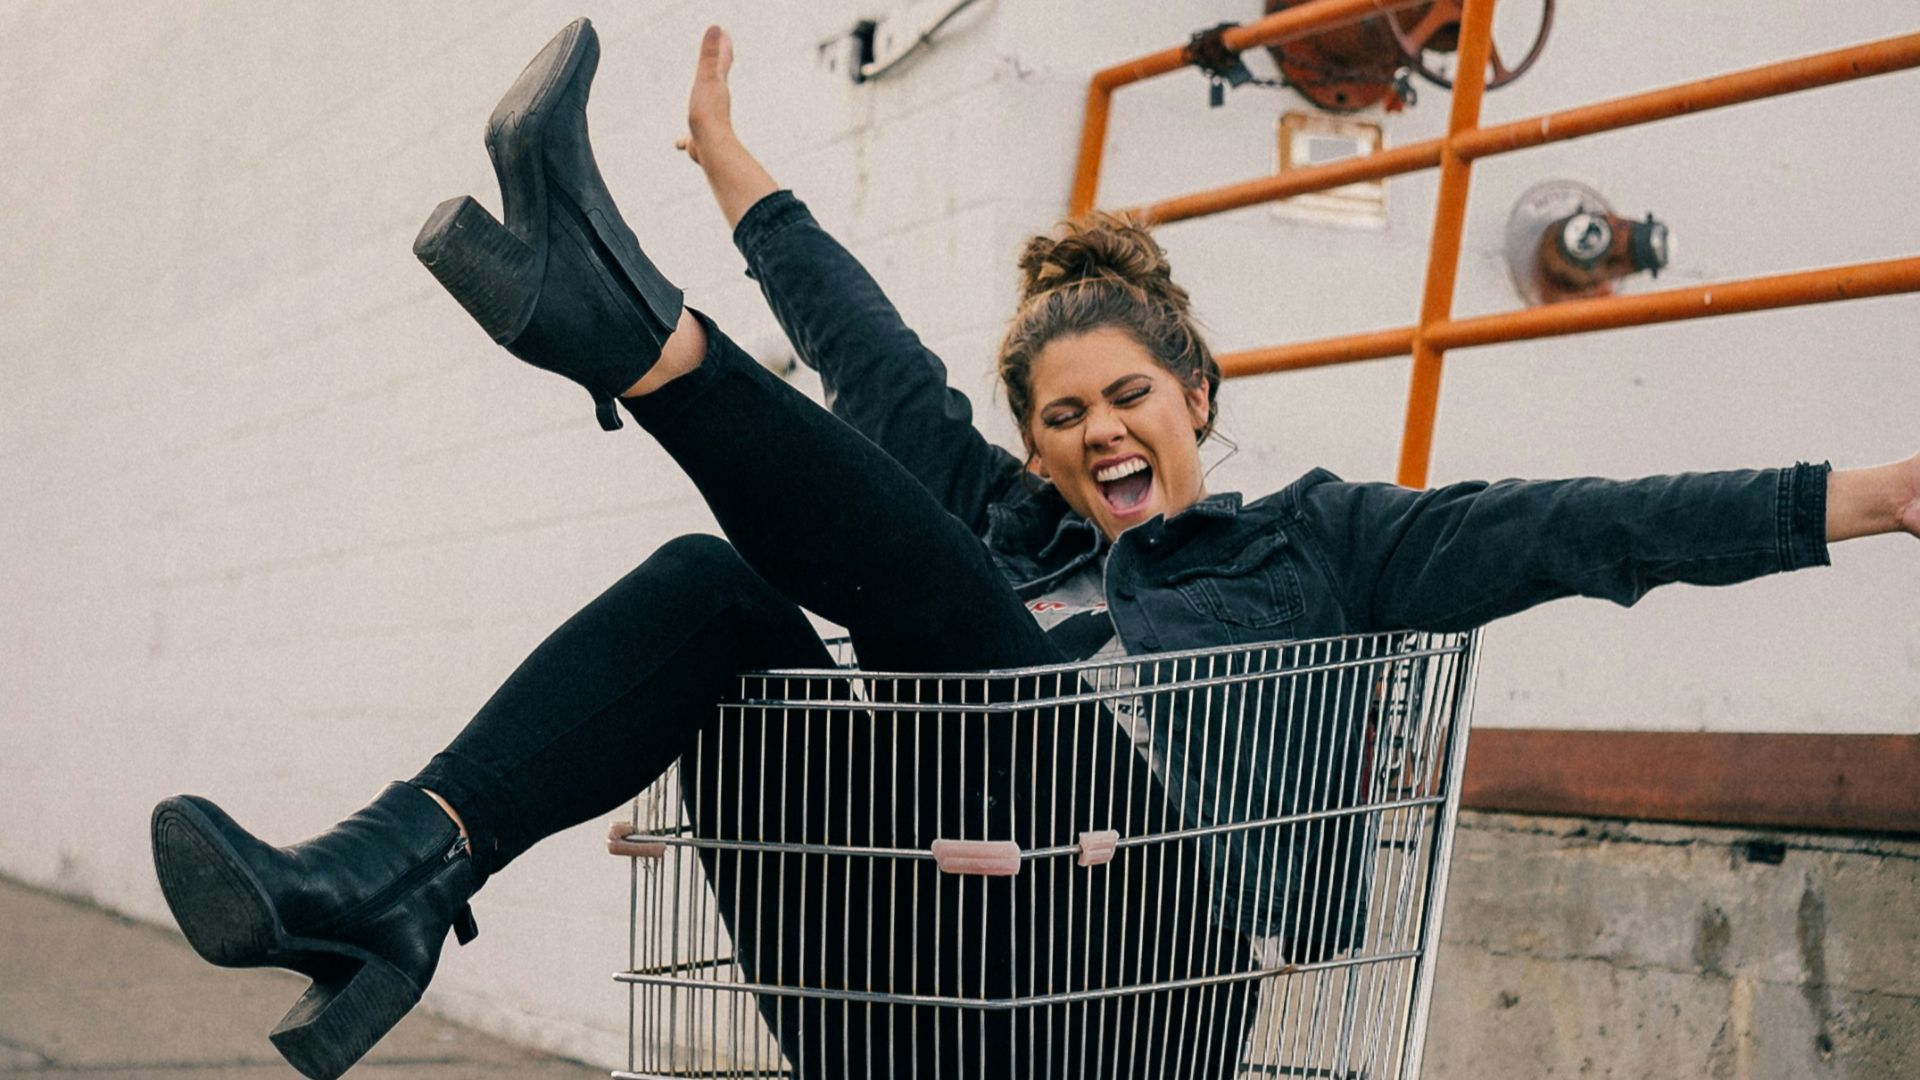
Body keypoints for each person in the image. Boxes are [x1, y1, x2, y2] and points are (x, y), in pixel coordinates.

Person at [149, 19, 1920, 1080]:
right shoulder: (996, 512)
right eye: (1059, 418)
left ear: (1196, 394)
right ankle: (384, 884)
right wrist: (736, 169)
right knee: (724, 593)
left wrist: (1872, 492)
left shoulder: (1321, 545)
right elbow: (871, 361)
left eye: (1126, 397)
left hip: (1143, 997)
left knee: (954, 611)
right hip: (916, 981)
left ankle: (623, 333)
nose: (1093, 436)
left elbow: (1594, 530)